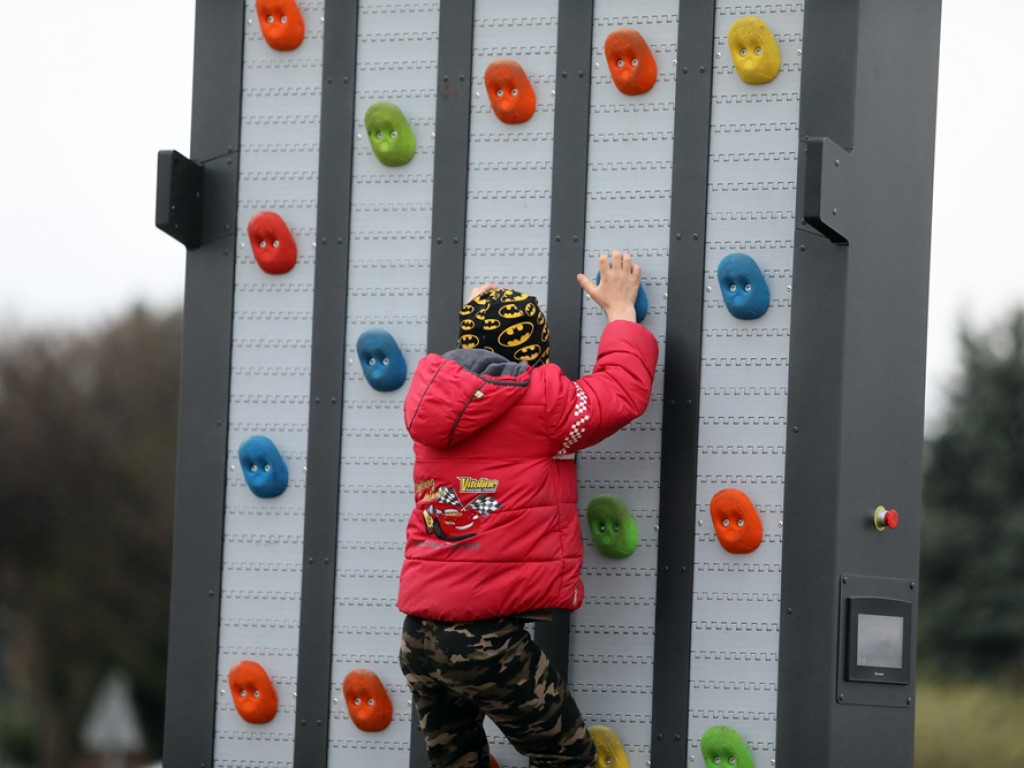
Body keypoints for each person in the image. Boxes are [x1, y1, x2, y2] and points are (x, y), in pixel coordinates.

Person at [398, 250, 659, 768]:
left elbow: (474, 370)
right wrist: (620, 314)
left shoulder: (433, 402)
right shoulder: (540, 403)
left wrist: (478, 323)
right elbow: (618, 394)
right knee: (568, 759)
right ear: (534, 352)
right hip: (484, 642)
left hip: (418, 637)